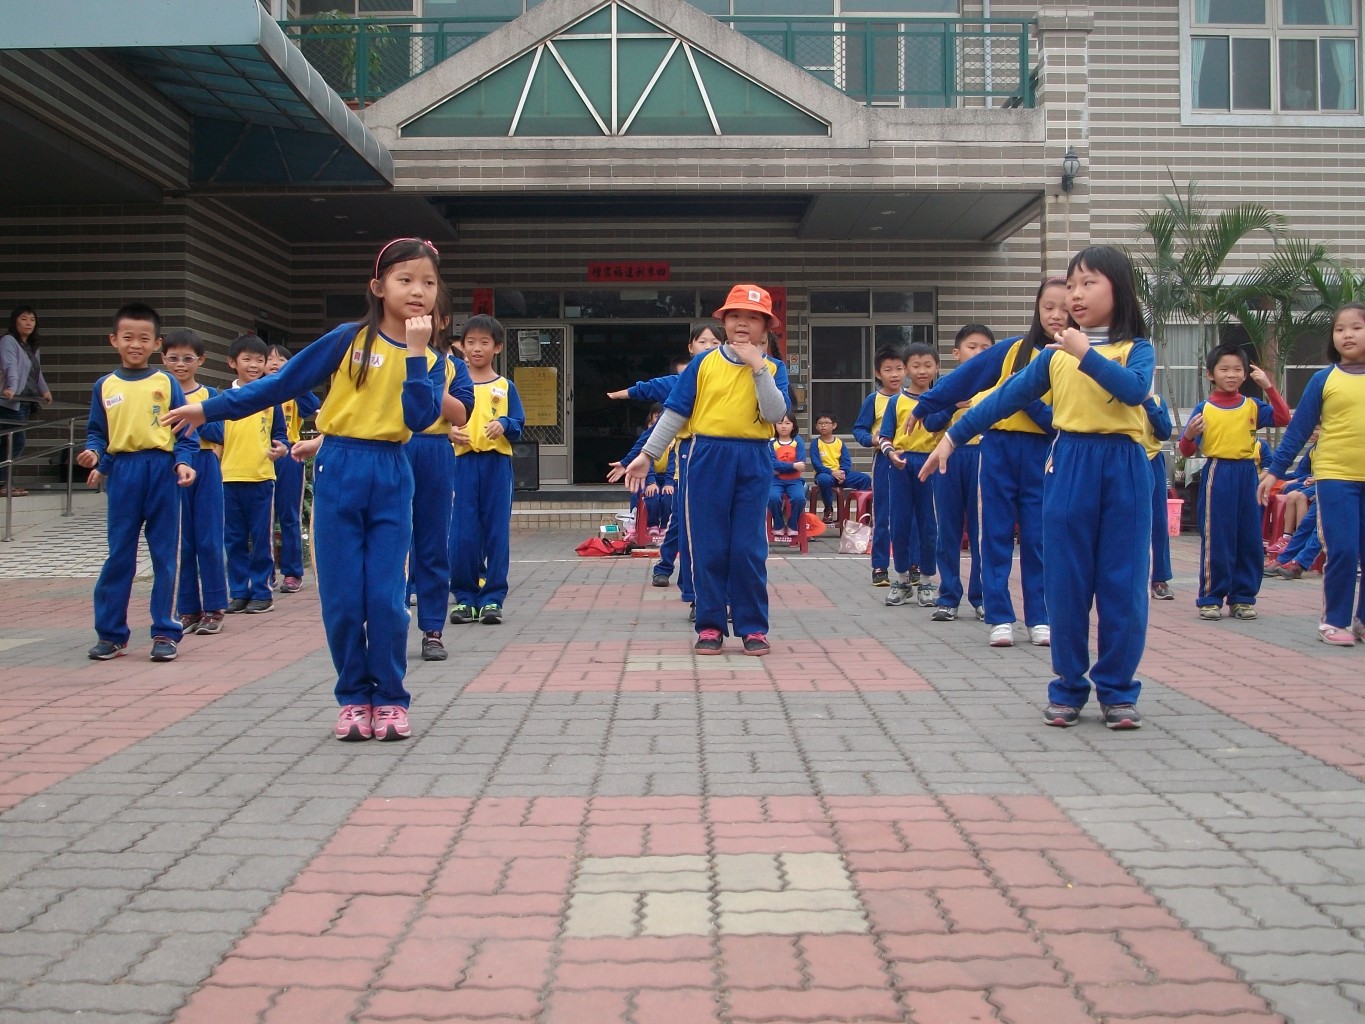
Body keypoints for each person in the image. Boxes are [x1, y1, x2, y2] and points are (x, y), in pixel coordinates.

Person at [163, 238, 446, 742]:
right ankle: (354, 698)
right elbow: (280, 384)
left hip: (391, 469)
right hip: (339, 465)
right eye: (405, 280)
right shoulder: (347, 340)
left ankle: (390, 699)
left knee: (385, 598)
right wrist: (208, 409)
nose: (418, 291)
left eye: (428, 282)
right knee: (343, 598)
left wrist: (417, 354)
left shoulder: (429, 356)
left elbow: (421, 417)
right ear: (378, 287)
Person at [920, 245, 1155, 730]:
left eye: (1088, 283)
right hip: (1069, 464)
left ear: (1118, 288)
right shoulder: (1052, 357)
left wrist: (1083, 352)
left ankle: (1117, 691)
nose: (1075, 295)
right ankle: (1067, 687)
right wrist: (952, 437)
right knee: (1066, 582)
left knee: (1123, 583)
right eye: (1071, 285)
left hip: (1125, 469)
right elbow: (1003, 398)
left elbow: (1133, 390)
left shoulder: (1137, 349)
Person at [622, 284, 791, 655]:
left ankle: (753, 626)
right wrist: (648, 454)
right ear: (724, 321)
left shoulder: (774, 369)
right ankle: (710, 624)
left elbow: (775, 414)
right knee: (707, 544)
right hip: (706, 455)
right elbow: (676, 411)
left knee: (748, 547)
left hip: (754, 456)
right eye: (735, 316)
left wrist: (757, 368)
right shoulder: (703, 364)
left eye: (753, 318)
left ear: (766, 327)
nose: (742, 323)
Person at [910, 279, 1063, 648]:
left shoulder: (1075, 358)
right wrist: (925, 405)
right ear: (1037, 309)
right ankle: (999, 616)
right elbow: (966, 377)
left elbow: (1062, 418)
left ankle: (1040, 617)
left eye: (1065, 308)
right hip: (997, 449)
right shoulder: (1013, 350)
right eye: (1048, 307)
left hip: (1043, 452)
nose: (1056, 315)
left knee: (1038, 538)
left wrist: (1025, 400)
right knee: (993, 533)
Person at [80, 304, 198, 662]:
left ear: (156, 343)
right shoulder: (105, 385)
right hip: (124, 474)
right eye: (128, 337)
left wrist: (183, 462)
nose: (135, 344)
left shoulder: (166, 382)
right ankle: (111, 634)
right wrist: (94, 455)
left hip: (162, 471)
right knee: (119, 555)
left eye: (144, 338)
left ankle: (165, 632)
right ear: (114, 340)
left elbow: (185, 433)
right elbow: (98, 433)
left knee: (165, 555)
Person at [1258, 301, 1365, 646]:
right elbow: (1298, 430)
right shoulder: (1324, 379)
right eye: (1340, 329)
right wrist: (1275, 472)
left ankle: (1362, 622)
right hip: (1335, 477)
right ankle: (1334, 622)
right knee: (1343, 550)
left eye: (1357, 327)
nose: (1347, 334)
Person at [609, 323, 724, 600]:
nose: (708, 347)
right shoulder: (682, 382)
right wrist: (630, 459)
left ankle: (702, 586)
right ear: (690, 347)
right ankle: (685, 585)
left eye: (715, 343)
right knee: (683, 523)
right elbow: (651, 397)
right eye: (702, 342)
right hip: (688, 463)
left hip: (721, 461)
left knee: (707, 527)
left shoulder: (730, 378)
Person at [1178, 342, 1290, 621]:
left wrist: (1269, 387)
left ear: (1245, 374)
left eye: (1237, 369)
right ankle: (1211, 598)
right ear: (1210, 374)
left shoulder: (1252, 405)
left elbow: (1283, 417)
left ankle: (1242, 598)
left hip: (1248, 474)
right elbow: (1186, 450)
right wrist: (1189, 434)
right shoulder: (1205, 408)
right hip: (1218, 472)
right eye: (1224, 369)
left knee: (1249, 537)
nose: (1231, 375)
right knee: (1217, 536)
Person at [448, 314, 524, 627]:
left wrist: (504, 424)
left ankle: (493, 597)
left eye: (484, 342)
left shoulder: (505, 386)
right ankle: (465, 598)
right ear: (461, 347)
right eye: (470, 342)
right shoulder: (454, 384)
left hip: (496, 466)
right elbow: (436, 419)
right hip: (462, 465)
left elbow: (518, 424)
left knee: (496, 532)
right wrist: (449, 432)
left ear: (497, 347)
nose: (477, 348)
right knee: (462, 534)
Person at [407, 303, 472, 661]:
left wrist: (424, 374)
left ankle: (433, 630)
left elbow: (461, 413)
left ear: (443, 321)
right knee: (390, 541)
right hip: (394, 446)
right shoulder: (385, 355)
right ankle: (388, 625)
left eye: (428, 314)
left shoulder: (452, 366)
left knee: (433, 542)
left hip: (434, 449)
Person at [919, 324, 994, 621]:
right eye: (971, 347)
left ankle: (981, 597)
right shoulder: (947, 385)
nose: (978, 353)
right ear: (956, 353)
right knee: (947, 529)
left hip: (983, 457)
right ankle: (948, 597)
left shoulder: (997, 382)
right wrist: (952, 405)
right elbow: (930, 422)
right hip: (948, 459)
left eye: (985, 348)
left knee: (981, 531)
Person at [161, 329, 228, 636]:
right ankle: (187, 608)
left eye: (188, 358)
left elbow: (218, 433)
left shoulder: (209, 395)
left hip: (205, 464)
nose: (180, 364)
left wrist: (192, 419)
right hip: (174, 467)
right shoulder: (159, 393)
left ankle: (215, 607)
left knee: (209, 539)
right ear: (163, 359)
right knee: (182, 541)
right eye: (173, 358)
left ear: (201, 360)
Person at [220, 334, 289, 615]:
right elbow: (212, 433)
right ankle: (238, 592)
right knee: (234, 539)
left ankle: (262, 591)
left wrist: (281, 448)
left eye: (259, 360)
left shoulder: (271, 399)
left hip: (261, 478)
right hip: (228, 478)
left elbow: (281, 435)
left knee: (261, 538)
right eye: (246, 359)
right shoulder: (223, 399)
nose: (253, 365)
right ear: (232, 362)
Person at [880, 342, 942, 607]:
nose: (922, 371)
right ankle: (902, 579)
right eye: (916, 366)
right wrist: (891, 454)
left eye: (928, 365)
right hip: (901, 466)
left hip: (931, 464)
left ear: (937, 367)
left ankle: (927, 580)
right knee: (900, 524)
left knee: (929, 526)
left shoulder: (941, 400)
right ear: (906, 369)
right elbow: (885, 436)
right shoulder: (896, 401)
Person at [264, 344, 321, 595]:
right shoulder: (257, 390)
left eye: (281, 359)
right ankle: (265, 573)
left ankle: (292, 572)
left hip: (289, 454)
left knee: (289, 515)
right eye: (269, 359)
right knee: (263, 517)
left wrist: (295, 381)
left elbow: (313, 408)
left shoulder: (294, 389)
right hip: (260, 456)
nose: (274, 363)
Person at [852, 345, 907, 587]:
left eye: (899, 368)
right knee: (882, 514)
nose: (894, 374)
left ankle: (913, 566)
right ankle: (880, 567)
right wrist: (873, 439)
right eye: (888, 370)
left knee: (913, 514)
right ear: (877, 373)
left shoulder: (912, 398)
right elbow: (859, 430)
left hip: (911, 459)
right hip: (884, 460)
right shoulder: (873, 400)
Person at [0, 305, 53, 496]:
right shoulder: (8, 341)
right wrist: (12, 388)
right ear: (15, 321)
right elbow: (10, 367)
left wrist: (44, 390)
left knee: (9, 444)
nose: (28, 323)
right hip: (8, 401)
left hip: (24, 401)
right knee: (15, 442)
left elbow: (36, 372)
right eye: (23, 318)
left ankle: (5, 484)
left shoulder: (31, 346)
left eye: (32, 319)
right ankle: (3, 484)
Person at [1142, 392, 1176, 600]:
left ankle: (1159, 578)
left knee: (1158, 521)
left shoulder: (1155, 400)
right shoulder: (1114, 390)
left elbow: (1164, 432)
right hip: (1121, 457)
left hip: (1151, 460)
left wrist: (1148, 403)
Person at [809, 411, 871, 523]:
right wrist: (832, 472)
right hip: (825, 474)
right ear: (816, 426)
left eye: (827, 423)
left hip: (841, 474)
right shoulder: (815, 443)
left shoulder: (839, 443)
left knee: (865, 479)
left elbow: (846, 462)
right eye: (820, 423)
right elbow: (816, 464)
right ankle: (828, 509)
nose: (823, 425)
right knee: (823, 480)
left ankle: (863, 513)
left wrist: (843, 473)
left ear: (834, 425)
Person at [768, 412, 806, 536]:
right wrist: (793, 466)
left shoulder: (798, 441)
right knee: (772, 498)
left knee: (800, 499)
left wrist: (781, 467)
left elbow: (801, 464)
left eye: (787, 423)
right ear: (775, 425)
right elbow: (772, 464)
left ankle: (792, 524)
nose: (783, 426)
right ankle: (778, 524)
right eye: (780, 423)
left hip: (795, 480)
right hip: (775, 480)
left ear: (793, 426)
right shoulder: (771, 442)